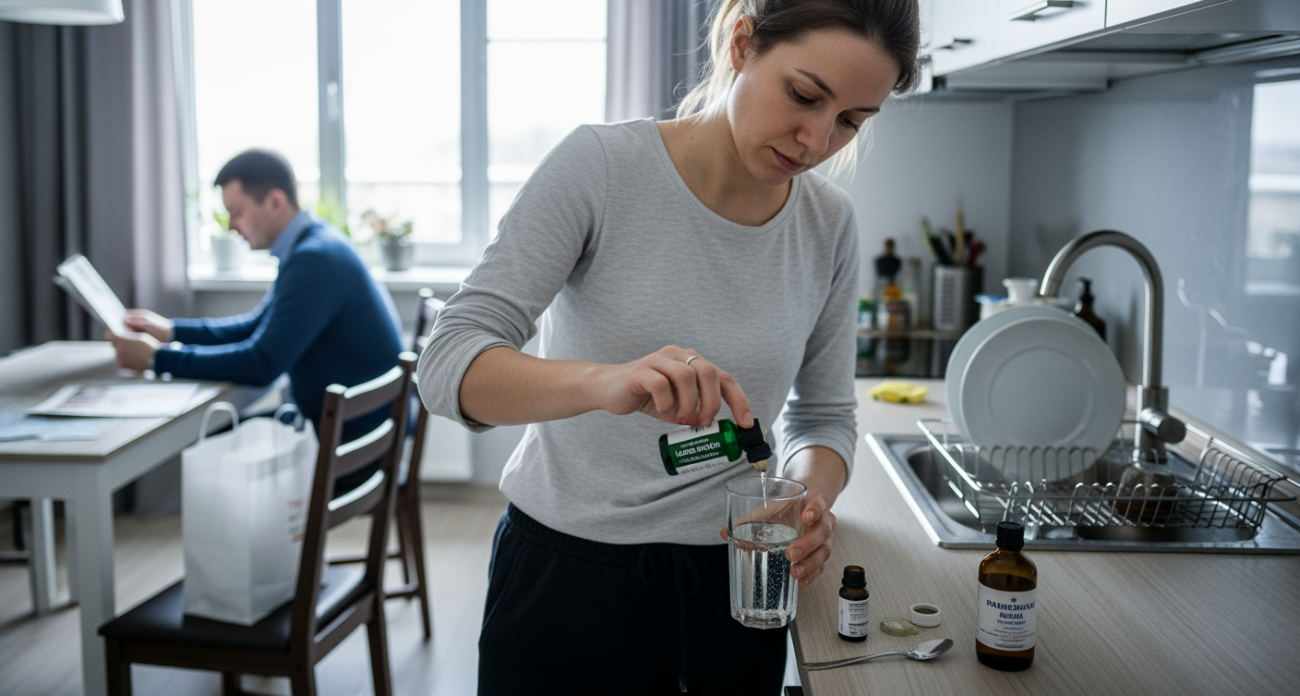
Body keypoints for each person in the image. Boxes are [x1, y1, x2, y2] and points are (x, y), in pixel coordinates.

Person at [417, 1, 919, 693]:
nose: (815, 139)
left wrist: (806, 499)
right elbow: (446, 363)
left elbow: (825, 416)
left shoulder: (828, 225)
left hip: (736, 587)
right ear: (742, 43)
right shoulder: (601, 166)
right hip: (568, 576)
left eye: (851, 121)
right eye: (804, 96)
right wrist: (602, 382)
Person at [109, 149, 404, 483]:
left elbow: (261, 363)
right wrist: (171, 331)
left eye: (236, 212)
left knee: (214, 452)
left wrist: (157, 360)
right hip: (352, 429)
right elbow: (256, 327)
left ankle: (257, 536)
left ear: (275, 202)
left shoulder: (313, 261)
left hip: (350, 443)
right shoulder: (314, 244)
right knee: (222, 441)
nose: (231, 225)